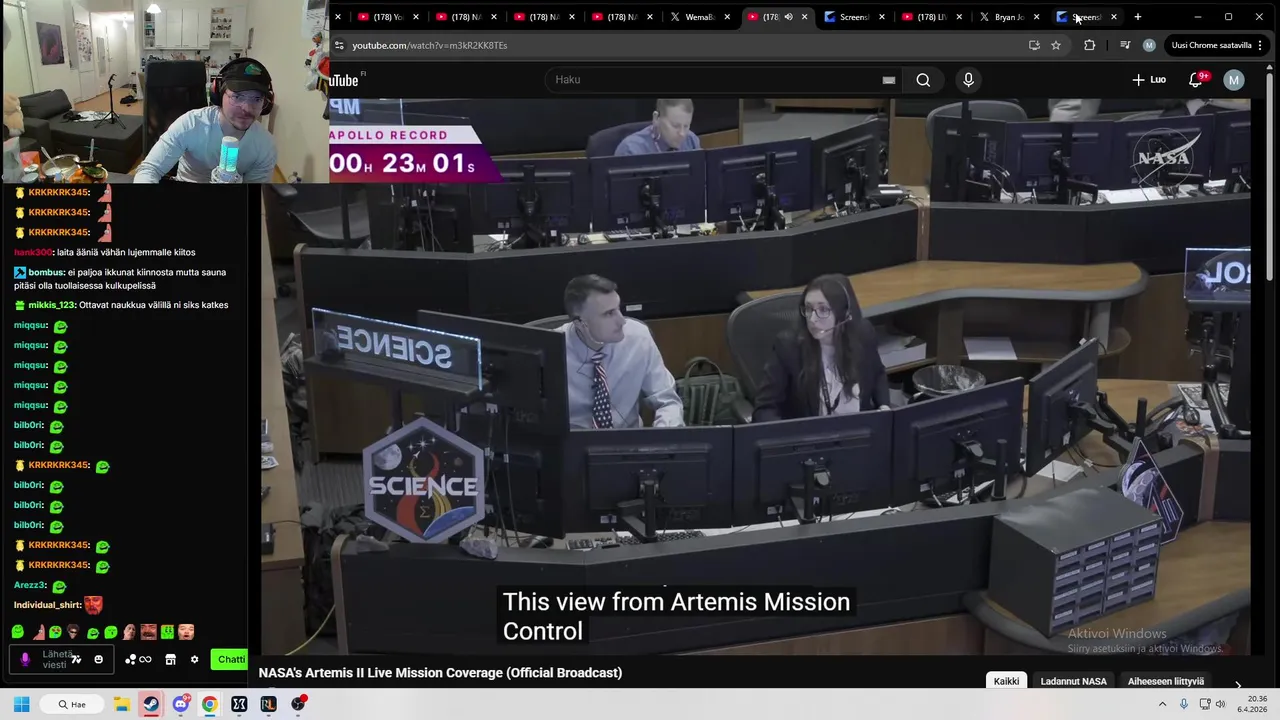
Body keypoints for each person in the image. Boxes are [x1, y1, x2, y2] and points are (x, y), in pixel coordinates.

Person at [753, 274, 891, 422]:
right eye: (808, 309)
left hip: (859, 429)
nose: (812, 319)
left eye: (823, 310)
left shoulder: (863, 334)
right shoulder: (789, 347)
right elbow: (764, 408)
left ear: (844, 314)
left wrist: (884, 406)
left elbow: (878, 373)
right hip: (810, 434)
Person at [559, 274, 684, 429]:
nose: (622, 321)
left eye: (618, 309)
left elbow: (668, 401)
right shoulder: (552, 349)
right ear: (580, 324)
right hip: (572, 440)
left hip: (629, 439)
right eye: (609, 313)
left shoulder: (638, 337)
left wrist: (662, 434)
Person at [133, 57, 277, 183]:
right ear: (218, 94)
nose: (247, 108)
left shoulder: (265, 145)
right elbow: (149, 169)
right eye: (237, 97)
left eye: (257, 99)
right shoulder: (191, 123)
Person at [614, 98, 701, 155]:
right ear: (656, 118)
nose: (682, 133)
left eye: (686, 126)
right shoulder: (631, 150)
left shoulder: (691, 141)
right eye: (675, 126)